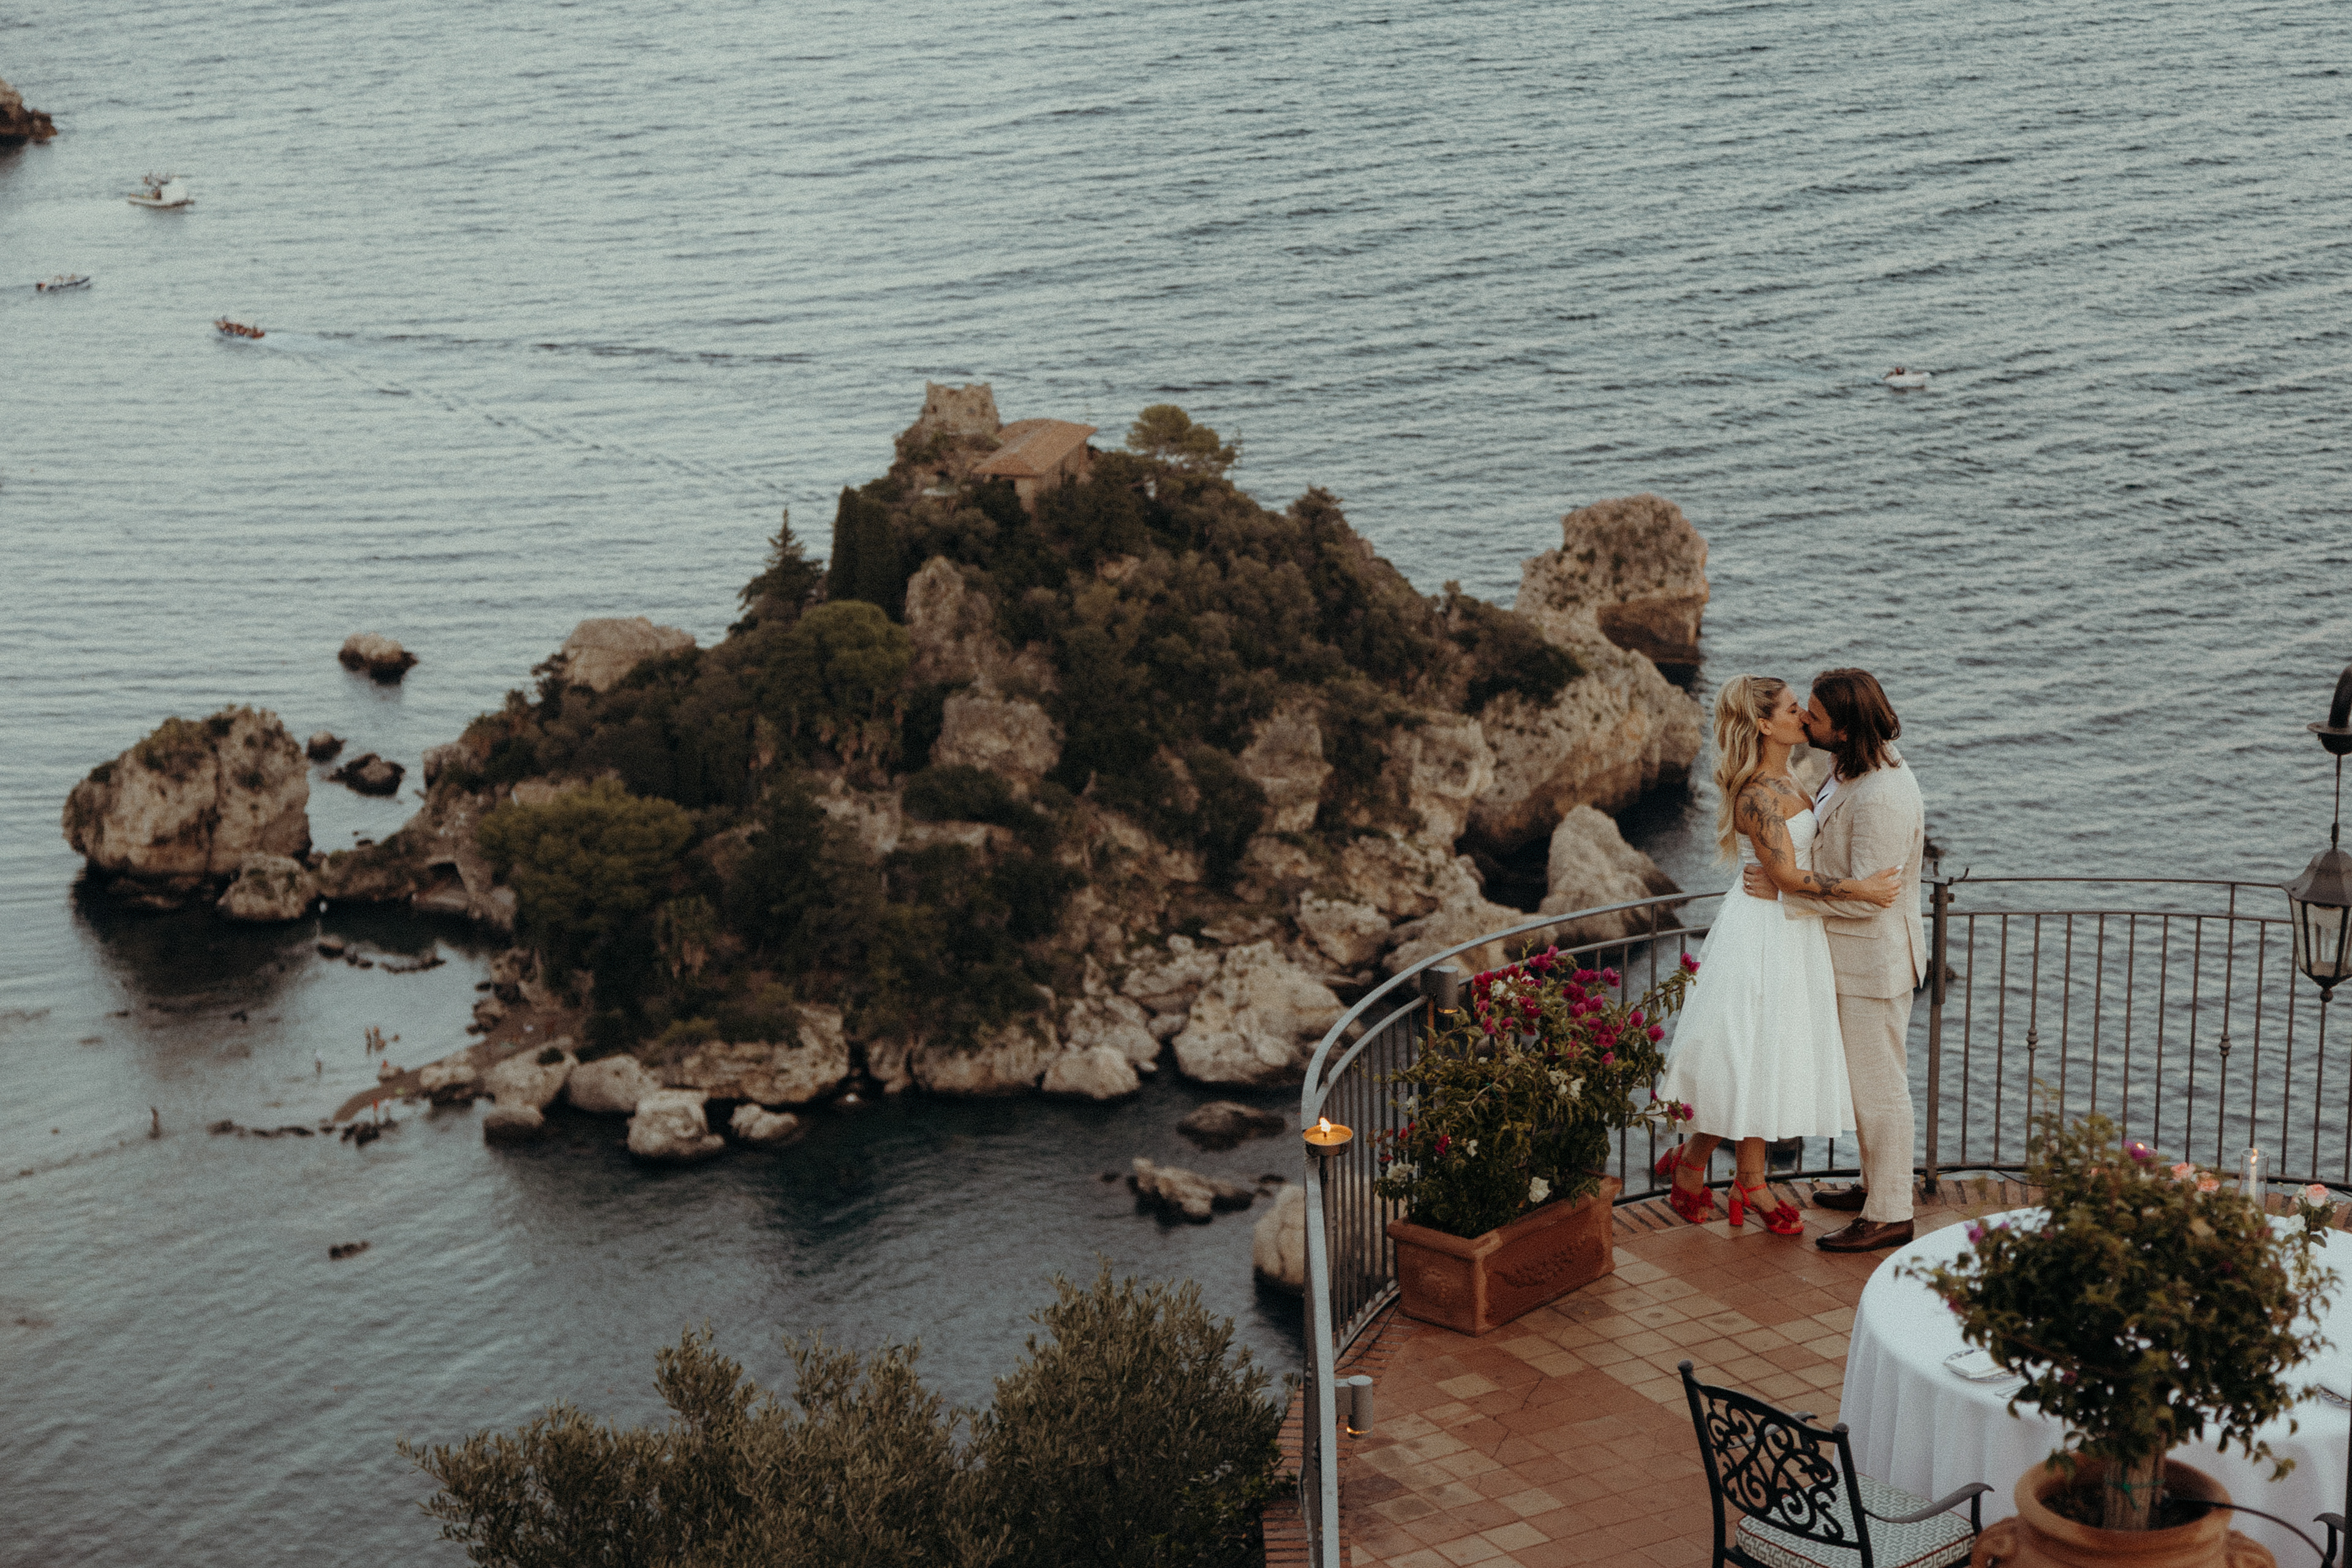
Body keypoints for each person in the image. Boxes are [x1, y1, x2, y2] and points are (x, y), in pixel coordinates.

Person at [1655, 676, 1903, 1235]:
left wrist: (1791, 885)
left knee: (1765, 1053)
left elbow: (1788, 870)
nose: (1805, 718)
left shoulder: (1791, 774)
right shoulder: (1757, 794)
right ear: (1765, 725)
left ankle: (1716, 1170)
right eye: (1795, 710)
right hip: (1761, 931)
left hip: (1792, 928)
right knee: (1749, 1050)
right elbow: (1785, 873)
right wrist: (1860, 889)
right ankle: (1734, 1177)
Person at [1740, 667, 1929, 1253]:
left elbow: (1871, 901)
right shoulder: (1854, 767)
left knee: (1881, 1092)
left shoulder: (1881, 797)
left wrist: (1786, 892)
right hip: (1847, 963)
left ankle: (1891, 1213)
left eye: (1814, 716)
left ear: (1844, 730)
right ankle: (1876, 1188)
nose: (1804, 720)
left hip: (1873, 966)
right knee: (1870, 1088)